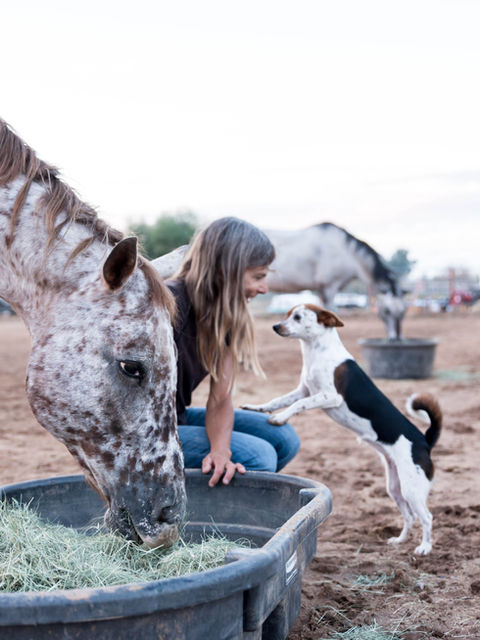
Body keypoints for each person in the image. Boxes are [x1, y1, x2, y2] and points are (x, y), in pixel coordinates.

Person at [167, 217, 300, 487]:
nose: (264, 288)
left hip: (175, 418)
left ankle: (212, 487)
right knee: (258, 457)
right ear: (224, 271)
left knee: (284, 439)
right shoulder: (167, 305)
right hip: (140, 433)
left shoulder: (224, 318)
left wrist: (220, 451)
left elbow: (220, 400)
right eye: (258, 277)